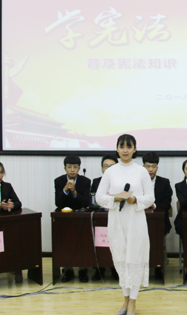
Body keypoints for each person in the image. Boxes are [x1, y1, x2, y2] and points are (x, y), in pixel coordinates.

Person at [95, 134, 155, 315]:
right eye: (122, 147)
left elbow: (150, 198)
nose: (125, 150)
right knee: (121, 259)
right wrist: (115, 199)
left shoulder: (141, 171)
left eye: (129, 147)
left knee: (135, 260)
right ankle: (125, 299)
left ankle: (133, 302)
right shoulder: (110, 171)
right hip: (117, 221)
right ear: (117, 149)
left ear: (135, 149)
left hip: (135, 221)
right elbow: (99, 197)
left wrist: (135, 199)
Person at [54, 155, 91, 283]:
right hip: (65, 219)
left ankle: (82, 269)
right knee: (66, 244)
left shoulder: (85, 181)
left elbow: (86, 202)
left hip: (81, 218)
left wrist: (75, 192)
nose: (72, 170)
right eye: (69, 167)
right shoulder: (59, 181)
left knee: (82, 243)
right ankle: (68, 270)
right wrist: (65, 190)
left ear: (79, 168)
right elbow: (58, 203)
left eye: (75, 167)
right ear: (65, 168)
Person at [143, 151, 172, 281]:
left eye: (153, 166)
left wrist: (153, 205)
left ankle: (158, 267)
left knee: (156, 236)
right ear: (143, 167)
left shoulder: (164, 183)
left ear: (157, 168)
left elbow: (166, 204)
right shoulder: (137, 182)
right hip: (141, 221)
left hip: (160, 223)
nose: (150, 169)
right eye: (148, 166)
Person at [91, 154, 119, 281]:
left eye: (111, 166)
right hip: (101, 217)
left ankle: (115, 269)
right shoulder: (97, 182)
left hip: (117, 216)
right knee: (100, 243)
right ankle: (99, 268)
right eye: (105, 166)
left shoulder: (122, 182)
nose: (108, 169)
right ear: (102, 168)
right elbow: (93, 201)